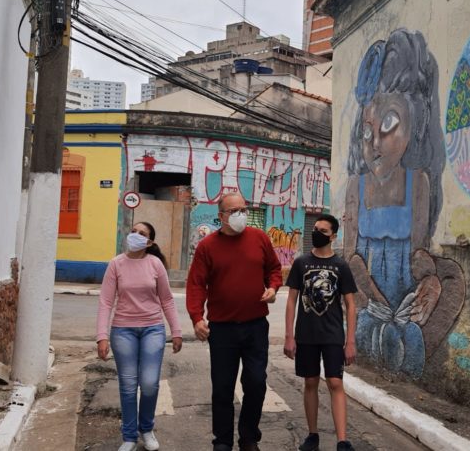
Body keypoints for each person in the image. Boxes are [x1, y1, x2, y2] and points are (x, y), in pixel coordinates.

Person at [344, 29, 465, 378]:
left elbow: (417, 253)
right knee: (370, 329)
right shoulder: (356, 186)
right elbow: (351, 257)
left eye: (389, 126)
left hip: (405, 301)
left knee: (450, 279)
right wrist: (374, 299)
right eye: (366, 132)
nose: (374, 143)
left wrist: (429, 281)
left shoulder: (418, 184)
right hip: (370, 299)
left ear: (415, 125)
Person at [186, 192, 282, 451]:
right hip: (222, 330)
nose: (241, 214)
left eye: (244, 209)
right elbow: (196, 284)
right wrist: (197, 318)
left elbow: (274, 269)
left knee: (256, 383)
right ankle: (223, 441)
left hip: (255, 326)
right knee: (222, 388)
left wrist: (273, 288)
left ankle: (249, 438)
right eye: (234, 210)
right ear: (221, 216)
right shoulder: (207, 246)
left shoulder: (259, 238)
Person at [96, 221, 183, 451]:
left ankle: (147, 429)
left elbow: (166, 299)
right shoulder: (116, 264)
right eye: (133, 231)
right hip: (122, 330)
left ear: (149, 242)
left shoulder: (155, 264)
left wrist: (176, 331)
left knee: (150, 383)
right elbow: (106, 301)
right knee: (127, 385)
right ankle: (129, 436)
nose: (135, 235)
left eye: (141, 233)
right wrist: (101, 336)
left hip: (153, 328)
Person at [284, 214, 358, 451]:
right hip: (306, 335)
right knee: (311, 382)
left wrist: (350, 341)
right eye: (315, 228)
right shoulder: (301, 262)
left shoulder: (341, 265)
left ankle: (342, 440)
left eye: (323, 231)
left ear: (333, 236)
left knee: (335, 382)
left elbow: (351, 305)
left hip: (333, 335)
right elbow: (291, 300)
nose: (316, 233)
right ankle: (312, 435)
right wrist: (289, 336)